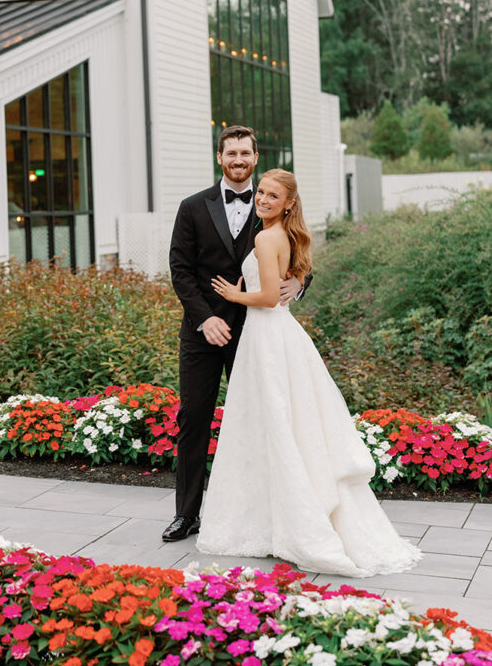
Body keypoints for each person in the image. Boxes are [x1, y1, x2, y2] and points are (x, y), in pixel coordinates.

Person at [196, 168, 421, 577]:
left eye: (271, 196)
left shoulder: (266, 237)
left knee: (276, 425)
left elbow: (266, 297)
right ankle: (276, 518)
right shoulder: (283, 235)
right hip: (278, 335)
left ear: (288, 203)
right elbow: (282, 284)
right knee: (283, 424)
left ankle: (291, 522)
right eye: (261, 192)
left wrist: (233, 294)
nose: (262, 199)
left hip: (267, 335)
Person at [164, 126, 303, 542]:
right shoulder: (192, 207)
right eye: (231, 153)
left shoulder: (273, 211)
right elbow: (180, 270)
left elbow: (298, 257)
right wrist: (205, 318)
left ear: (255, 157)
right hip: (203, 332)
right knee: (194, 419)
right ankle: (186, 515)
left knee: (261, 421)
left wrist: (299, 284)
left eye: (245, 152)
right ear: (219, 157)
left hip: (256, 332)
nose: (238, 159)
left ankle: (262, 515)